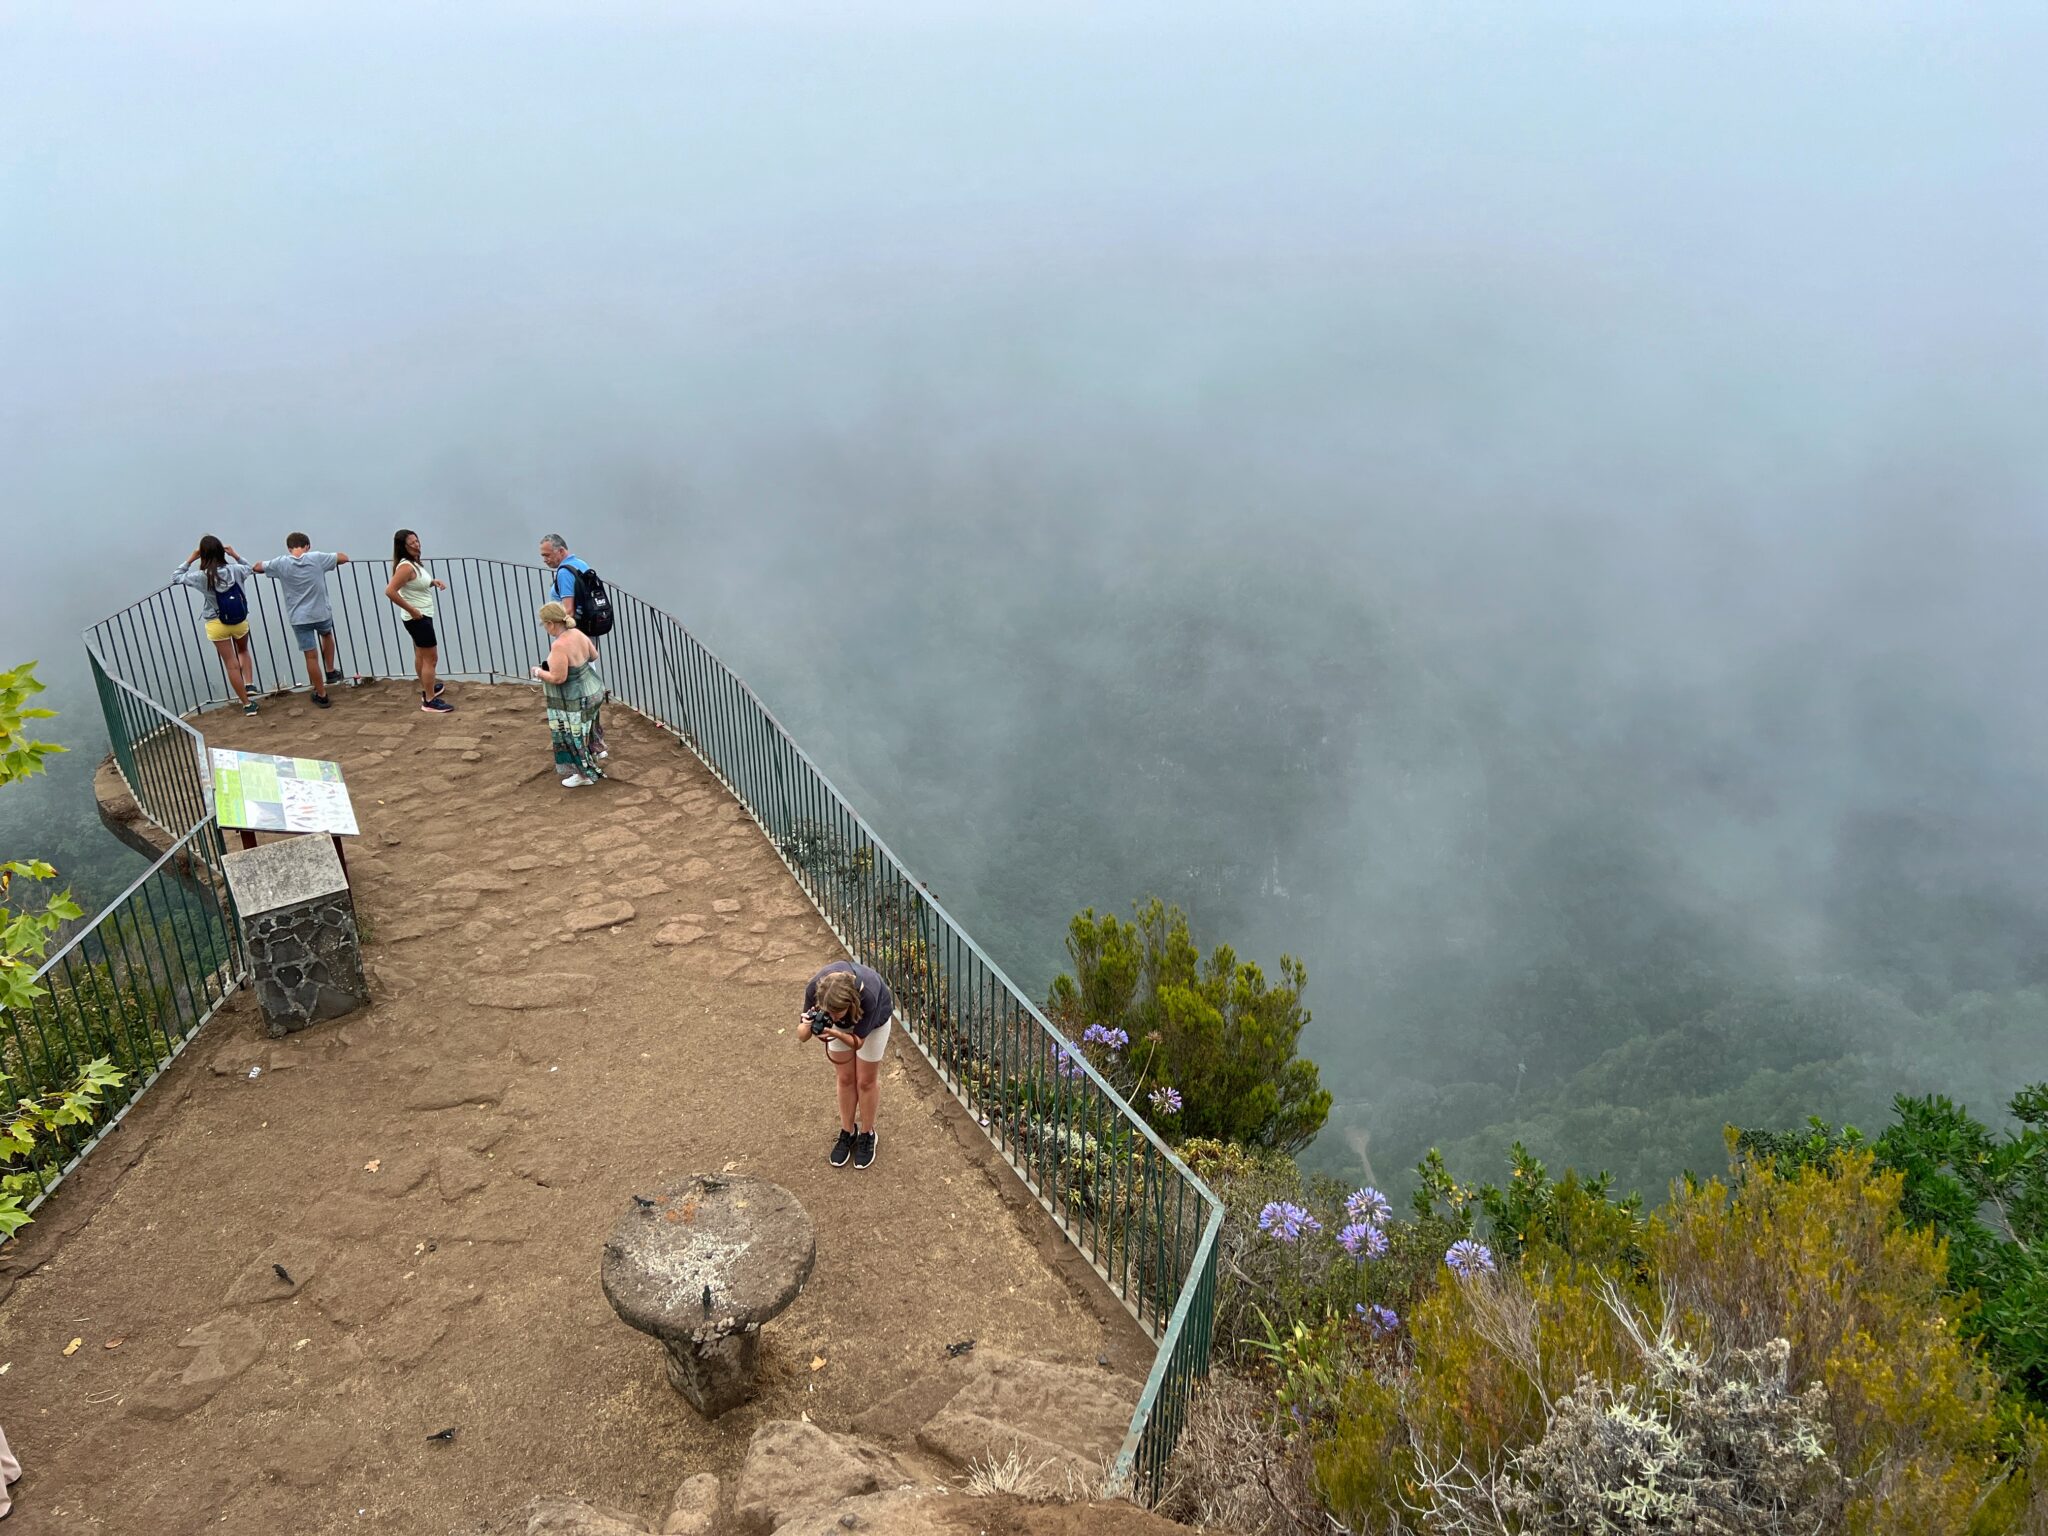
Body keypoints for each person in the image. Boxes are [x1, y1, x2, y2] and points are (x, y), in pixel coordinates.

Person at [796, 961, 894, 1170]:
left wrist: (833, 1032)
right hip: (840, 1028)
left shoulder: (869, 993)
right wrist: (807, 1024)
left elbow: (858, 1041)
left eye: (835, 1013)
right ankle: (848, 1132)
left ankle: (868, 1133)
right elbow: (802, 1037)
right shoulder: (816, 988)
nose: (829, 1018)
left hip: (873, 1026)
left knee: (866, 1081)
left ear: (850, 1004)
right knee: (845, 1078)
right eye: (826, 1012)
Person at [253, 533, 349, 709]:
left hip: (299, 617)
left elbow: (258, 567)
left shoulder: (281, 563)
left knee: (310, 656)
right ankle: (330, 671)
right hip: (321, 613)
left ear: (289, 548)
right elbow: (343, 558)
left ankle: (322, 695)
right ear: (308, 545)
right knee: (327, 634)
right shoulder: (317, 558)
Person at [173, 535, 260, 715]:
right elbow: (250, 568)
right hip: (239, 620)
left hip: (215, 623)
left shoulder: (201, 577)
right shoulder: (236, 570)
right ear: (222, 552)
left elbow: (177, 577)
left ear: (203, 555)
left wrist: (191, 558)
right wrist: (235, 555)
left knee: (231, 664)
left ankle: (247, 704)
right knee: (243, 651)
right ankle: (249, 684)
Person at [529, 601, 607, 786]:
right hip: (593, 688)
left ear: (550, 623)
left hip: (576, 696)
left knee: (572, 734)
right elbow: (594, 656)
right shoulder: (578, 633)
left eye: (544, 624)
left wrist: (538, 672)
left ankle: (583, 776)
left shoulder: (559, 646)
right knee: (588, 726)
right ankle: (597, 751)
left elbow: (558, 678)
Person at [384, 528, 453, 714]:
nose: (417, 544)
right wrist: (412, 609)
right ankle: (429, 700)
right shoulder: (406, 567)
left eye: (417, 540)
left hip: (419, 616)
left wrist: (433, 582)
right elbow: (390, 591)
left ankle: (427, 689)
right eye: (412, 543)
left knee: (421, 656)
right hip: (418, 618)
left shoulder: (412, 564)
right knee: (431, 658)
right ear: (403, 547)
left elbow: (415, 583)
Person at [538, 533, 592, 626]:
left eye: (547, 555)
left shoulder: (564, 573)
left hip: (575, 631)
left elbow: (569, 611)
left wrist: (556, 630)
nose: (545, 559)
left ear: (561, 551)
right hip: (588, 625)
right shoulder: (580, 563)